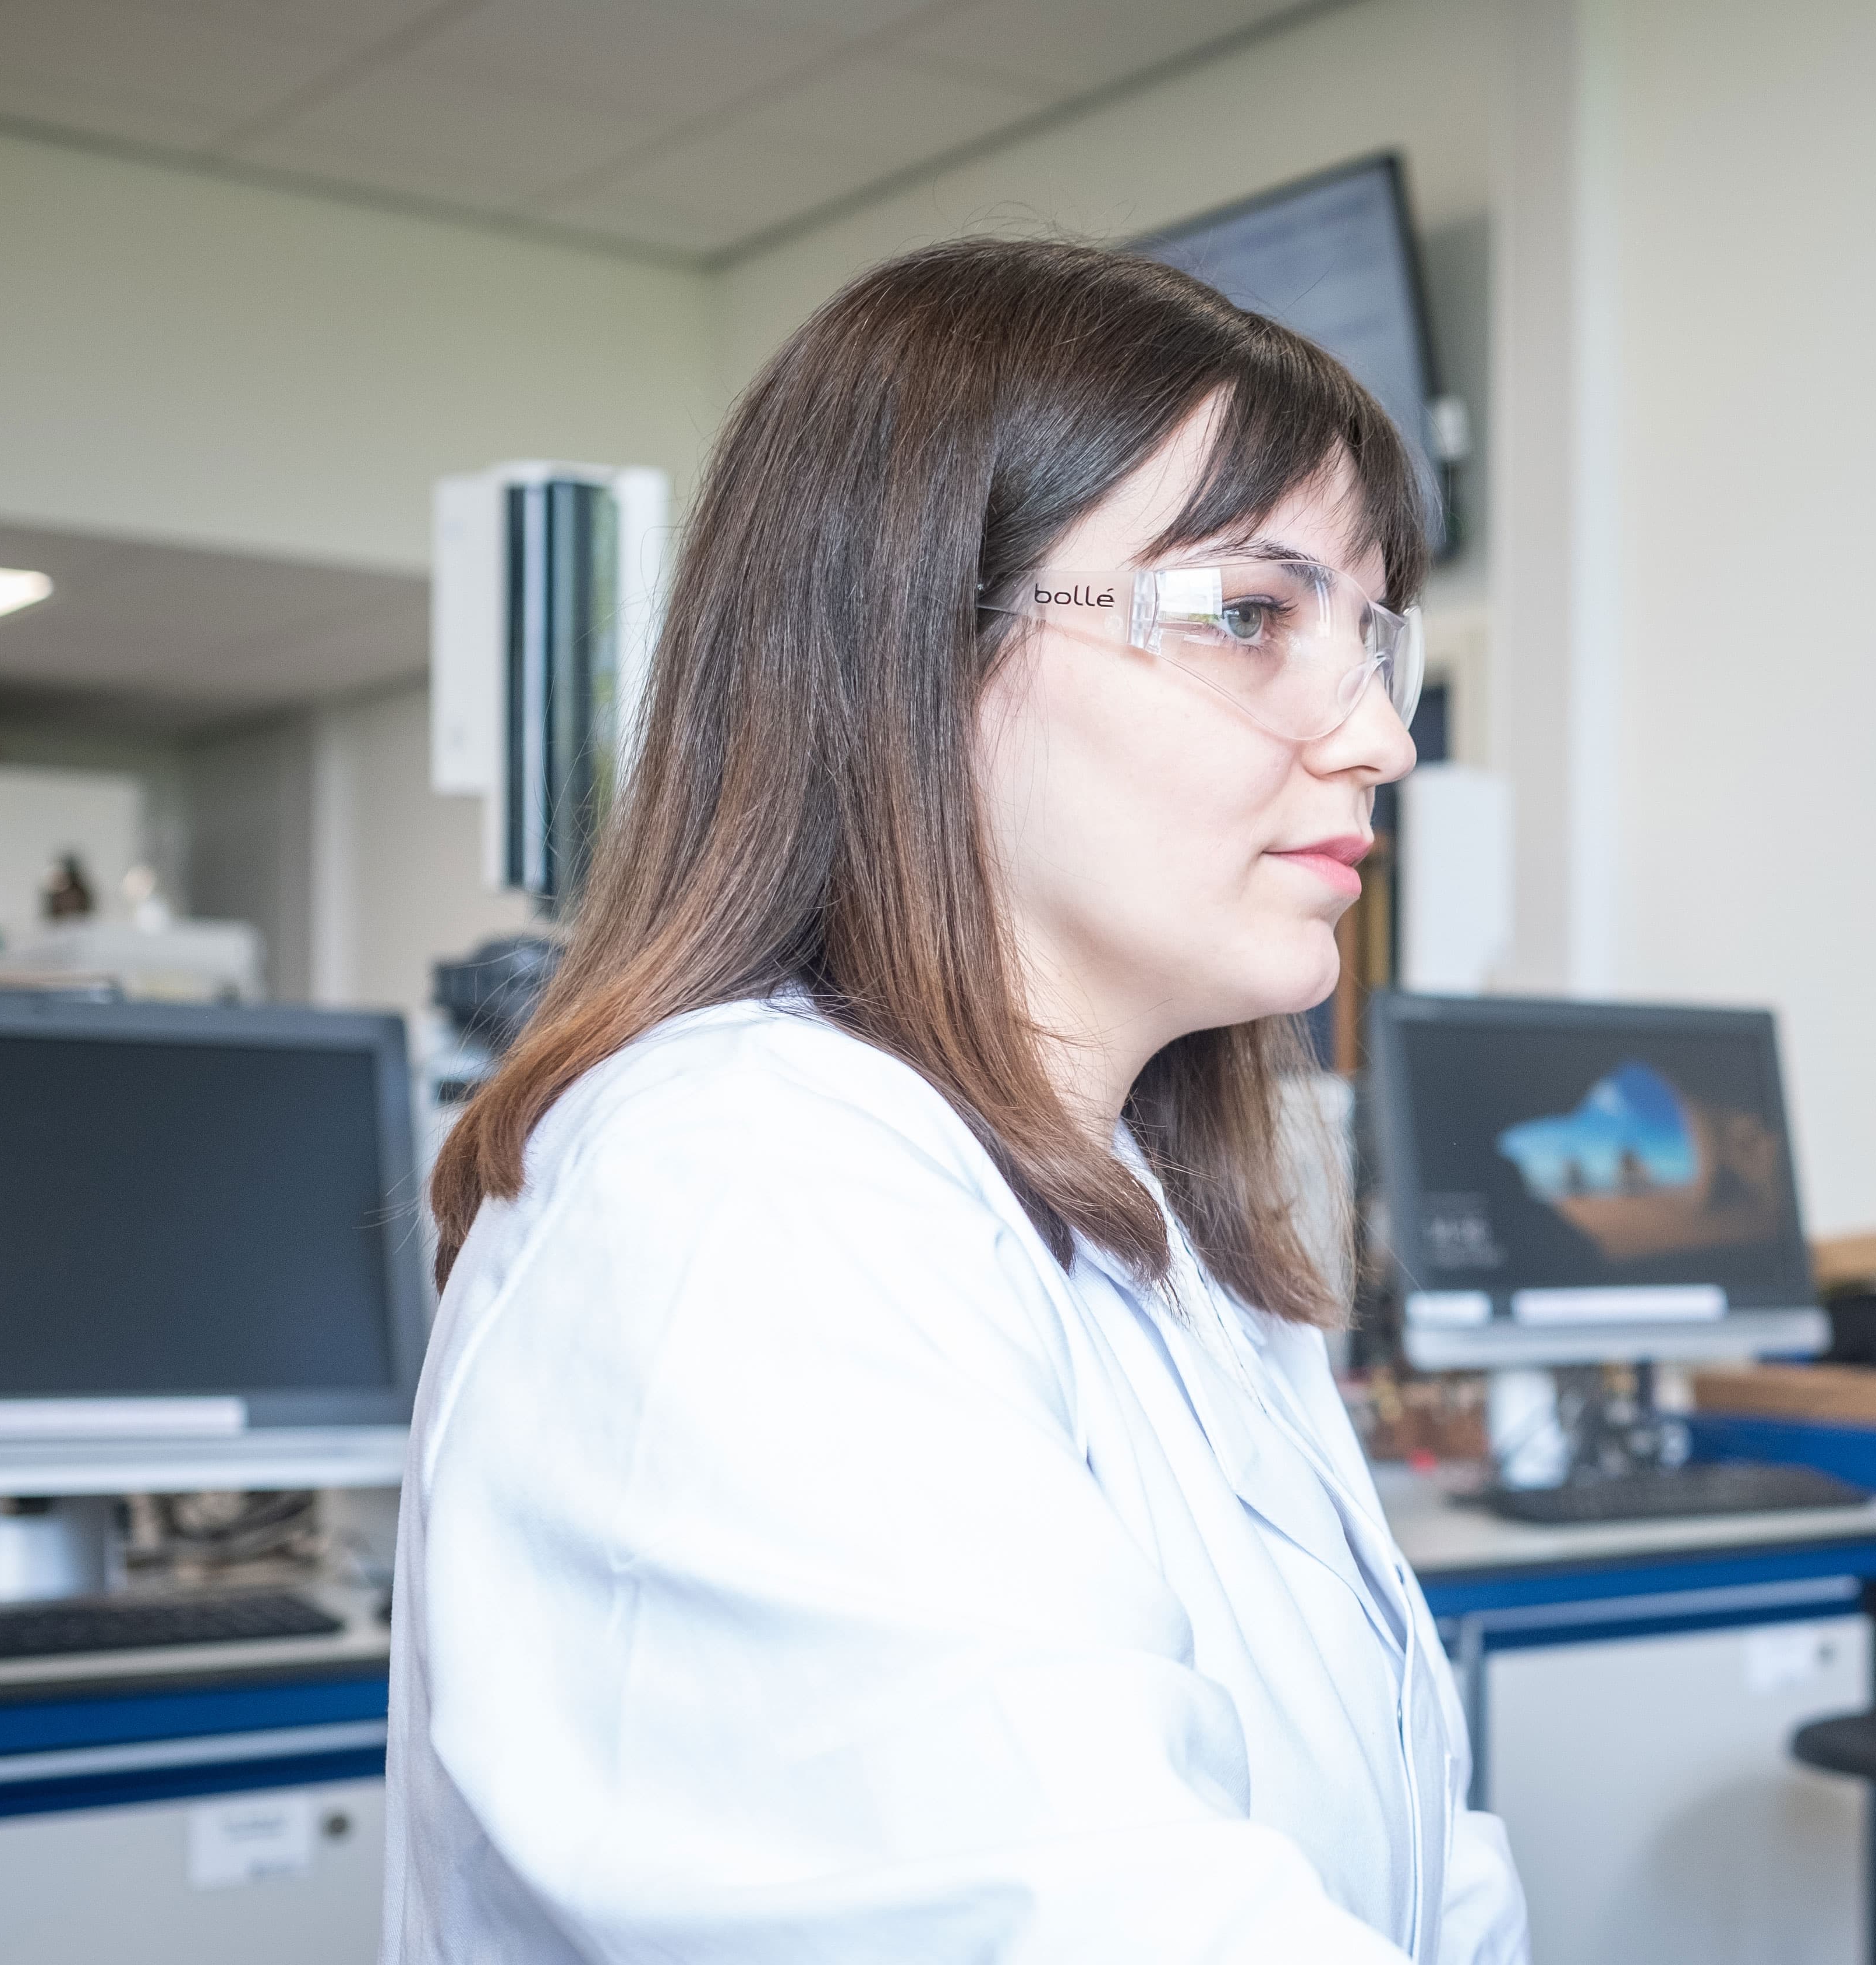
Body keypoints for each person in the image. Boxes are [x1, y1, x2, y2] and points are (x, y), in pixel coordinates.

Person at [388, 239, 1525, 1964]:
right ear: (917, 643)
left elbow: (1425, 1875)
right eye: (1250, 615)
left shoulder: (1160, 1228)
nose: (1379, 735)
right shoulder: (741, 1195)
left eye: (1372, 637)